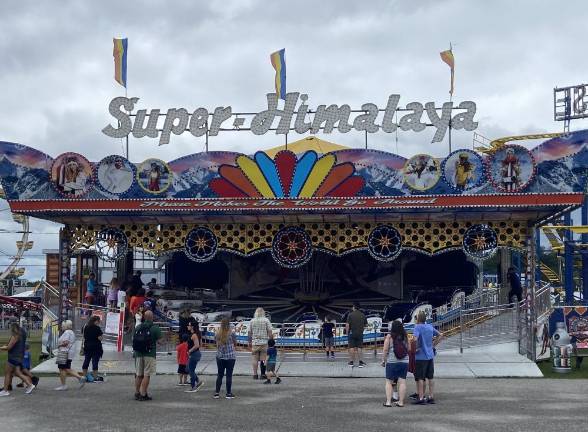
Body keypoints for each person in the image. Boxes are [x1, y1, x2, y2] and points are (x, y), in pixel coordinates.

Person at [413, 311, 443, 405]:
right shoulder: (429, 326)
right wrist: (433, 345)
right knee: (430, 377)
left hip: (420, 356)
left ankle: (421, 397)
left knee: (420, 378)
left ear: (418, 319)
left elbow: (415, 339)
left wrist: (416, 347)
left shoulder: (417, 327)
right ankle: (431, 396)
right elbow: (440, 335)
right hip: (430, 355)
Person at [133, 310, 162, 401]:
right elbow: (160, 341)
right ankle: (143, 394)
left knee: (139, 374)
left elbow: (134, 339)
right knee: (147, 375)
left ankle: (137, 393)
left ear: (144, 317)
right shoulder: (155, 328)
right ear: (152, 317)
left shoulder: (138, 327)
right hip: (149, 353)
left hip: (138, 353)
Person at [0, 322, 35, 396]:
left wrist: (2, 348)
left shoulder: (15, 336)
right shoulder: (22, 334)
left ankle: (5, 390)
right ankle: (30, 385)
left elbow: (9, 347)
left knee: (7, 373)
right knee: (18, 373)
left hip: (13, 357)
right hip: (19, 356)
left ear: (12, 328)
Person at [382, 320, 409, 407]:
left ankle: (388, 402)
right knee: (402, 382)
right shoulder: (405, 336)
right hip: (404, 362)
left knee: (389, 382)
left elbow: (385, 350)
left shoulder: (389, 337)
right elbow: (408, 349)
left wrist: (383, 360)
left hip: (392, 362)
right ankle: (400, 402)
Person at [55, 320, 85, 391]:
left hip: (64, 353)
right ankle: (78, 378)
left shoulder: (67, 332)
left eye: (62, 325)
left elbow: (66, 342)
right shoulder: (71, 332)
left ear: (66, 326)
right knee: (65, 368)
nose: (61, 326)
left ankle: (78, 378)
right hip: (68, 353)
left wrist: (58, 345)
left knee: (63, 368)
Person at [248, 307, 273, 379]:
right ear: (263, 313)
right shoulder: (266, 320)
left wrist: (249, 342)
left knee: (254, 359)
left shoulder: (252, 321)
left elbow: (249, 332)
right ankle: (262, 374)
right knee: (263, 359)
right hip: (264, 342)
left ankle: (255, 375)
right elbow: (270, 332)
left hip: (255, 342)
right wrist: (271, 341)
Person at [215, 317, 237, 399]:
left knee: (220, 375)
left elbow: (216, 344)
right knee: (229, 375)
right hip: (230, 356)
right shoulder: (232, 333)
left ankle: (217, 393)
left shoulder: (217, 333)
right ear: (229, 324)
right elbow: (235, 343)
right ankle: (228, 393)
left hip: (220, 356)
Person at [82, 315, 104, 382]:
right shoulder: (97, 328)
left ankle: (84, 376)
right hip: (96, 348)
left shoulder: (85, 327)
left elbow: (83, 336)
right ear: (96, 321)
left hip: (87, 347)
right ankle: (95, 377)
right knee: (95, 362)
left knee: (86, 361)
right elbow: (100, 338)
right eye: (99, 321)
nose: (99, 323)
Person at [346, 302, 367, 367]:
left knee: (351, 347)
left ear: (354, 307)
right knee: (360, 347)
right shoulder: (363, 315)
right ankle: (360, 362)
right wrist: (361, 329)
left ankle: (351, 362)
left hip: (352, 333)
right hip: (360, 333)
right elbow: (366, 325)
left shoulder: (350, 315)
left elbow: (347, 325)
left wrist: (347, 332)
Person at [185, 319, 204, 393]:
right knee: (187, 369)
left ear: (192, 327)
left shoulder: (194, 335)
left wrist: (189, 351)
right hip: (194, 354)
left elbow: (197, 345)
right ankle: (198, 381)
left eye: (189, 325)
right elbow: (200, 344)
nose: (187, 326)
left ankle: (193, 387)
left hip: (194, 354)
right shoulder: (196, 334)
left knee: (191, 370)